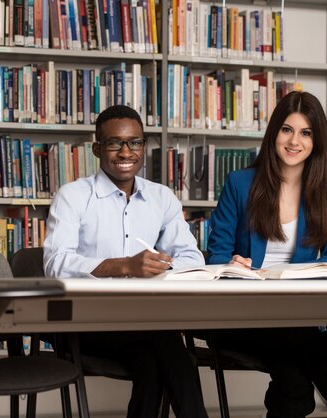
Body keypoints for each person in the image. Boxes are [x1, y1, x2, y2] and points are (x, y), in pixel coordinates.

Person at [206, 91, 327, 418]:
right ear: (274, 133)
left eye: (305, 132)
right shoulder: (240, 184)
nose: (294, 141)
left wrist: (303, 275)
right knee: (310, 351)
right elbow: (216, 258)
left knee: (296, 386)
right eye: (287, 129)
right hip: (241, 319)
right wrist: (231, 265)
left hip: (296, 317)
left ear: (316, 141)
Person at [43, 104, 208, 418]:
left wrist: (162, 266)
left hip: (143, 320)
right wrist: (124, 266)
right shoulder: (73, 196)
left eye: (134, 142)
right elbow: (56, 263)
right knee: (169, 346)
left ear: (144, 147)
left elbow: (192, 257)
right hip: (86, 322)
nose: (125, 152)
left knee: (153, 358)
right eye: (114, 143)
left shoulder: (162, 198)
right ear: (97, 149)